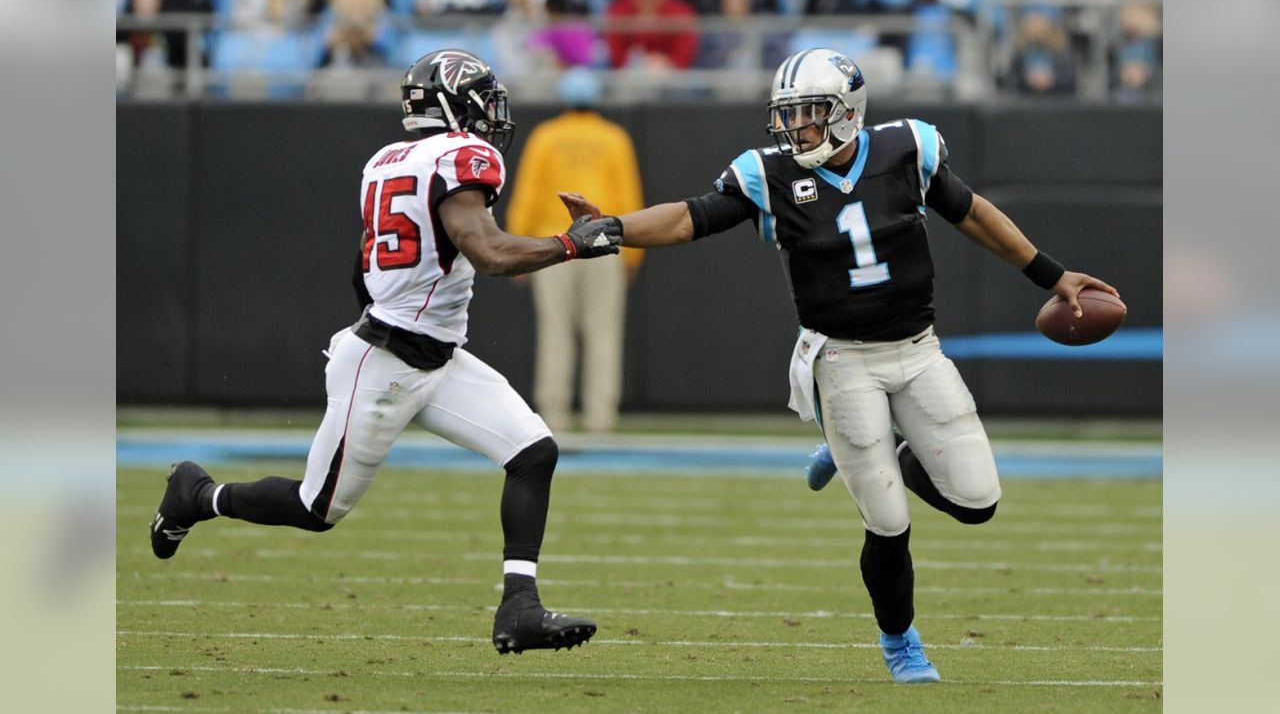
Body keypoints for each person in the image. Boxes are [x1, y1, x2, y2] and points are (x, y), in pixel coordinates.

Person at [559, 47, 1119, 683]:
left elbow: (972, 214)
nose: (794, 130)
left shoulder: (906, 150)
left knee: (977, 501)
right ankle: (901, 643)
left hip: (917, 349)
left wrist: (1051, 275)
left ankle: (893, 449)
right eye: (787, 116)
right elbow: (690, 217)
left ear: (847, 113)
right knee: (887, 521)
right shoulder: (767, 174)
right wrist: (613, 228)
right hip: (841, 360)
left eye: (808, 115)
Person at [148, 49, 623, 656]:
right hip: (388, 361)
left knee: (533, 452)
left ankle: (519, 608)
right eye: (484, 99)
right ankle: (197, 494)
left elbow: (365, 268)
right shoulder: (461, 157)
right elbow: (492, 255)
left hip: (436, 356)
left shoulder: (386, 160)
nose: (494, 114)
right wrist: (572, 244)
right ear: (453, 103)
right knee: (317, 507)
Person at [505, 68, 644, 433]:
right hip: (603, 245)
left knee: (555, 331)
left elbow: (528, 196)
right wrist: (632, 254)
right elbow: (629, 197)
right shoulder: (614, 137)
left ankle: (554, 416)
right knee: (603, 331)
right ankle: (601, 417)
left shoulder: (546, 136)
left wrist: (517, 251)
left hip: (554, 246)